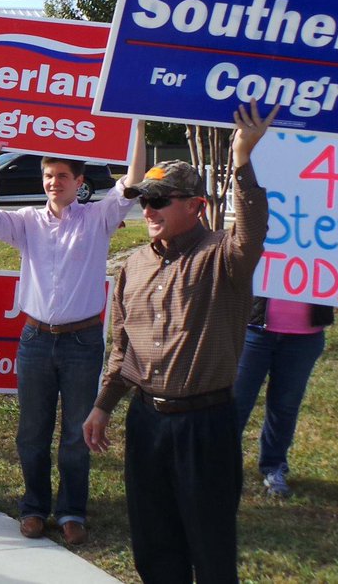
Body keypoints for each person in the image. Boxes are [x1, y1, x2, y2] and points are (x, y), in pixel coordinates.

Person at [83, 101, 276, 582]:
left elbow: (252, 231)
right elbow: (122, 345)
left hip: (205, 426)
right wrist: (104, 404)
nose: (147, 209)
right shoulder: (134, 265)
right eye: (144, 199)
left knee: (210, 549)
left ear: (195, 206)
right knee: (153, 543)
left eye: (160, 200)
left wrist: (242, 162)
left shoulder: (223, 257)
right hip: (147, 423)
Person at [0, 125, 146, 546]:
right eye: (48, 176)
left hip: (82, 343)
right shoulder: (29, 221)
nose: (53, 183)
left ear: (79, 183)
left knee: (76, 433)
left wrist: (138, 125)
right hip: (35, 340)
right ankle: (34, 507)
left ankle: (71, 510)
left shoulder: (100, 219)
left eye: (62, 177)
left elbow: (133, 181)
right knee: (32, 431)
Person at [233, 297, 333, 498]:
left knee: (285, 407)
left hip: (305, 336)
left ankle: (274, 466)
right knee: (236, 404)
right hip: (253, 330)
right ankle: (217, 466)